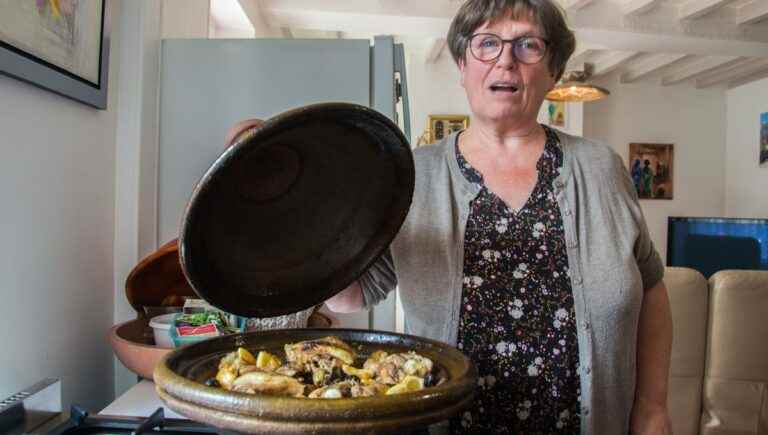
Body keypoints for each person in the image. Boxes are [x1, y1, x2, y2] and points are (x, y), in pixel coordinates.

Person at [326, 1, 673, 433]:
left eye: (528, 45)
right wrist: (317, 209)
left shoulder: (601, 167)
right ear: (462, 64)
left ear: (554, 70)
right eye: (487, 43)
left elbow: (652, 287)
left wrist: (653, 408)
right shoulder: (413, 175)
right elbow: (347, 296)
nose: (505, 59)